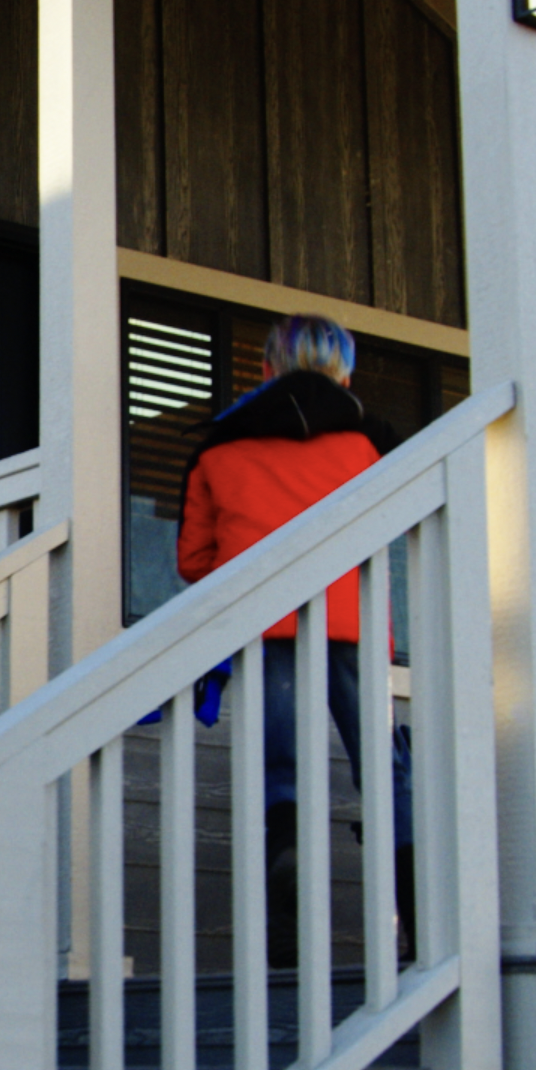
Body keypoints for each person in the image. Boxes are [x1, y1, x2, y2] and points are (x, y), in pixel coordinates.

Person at [177, 314, 413, 964]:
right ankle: (415, 884)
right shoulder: (371, 443)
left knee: (282, 767)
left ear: (264, 370)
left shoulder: (220, 446)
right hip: (351, 626)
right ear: (345, 372)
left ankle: (289, 867)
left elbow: (195, 560)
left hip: (268, 623)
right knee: (383, 766)